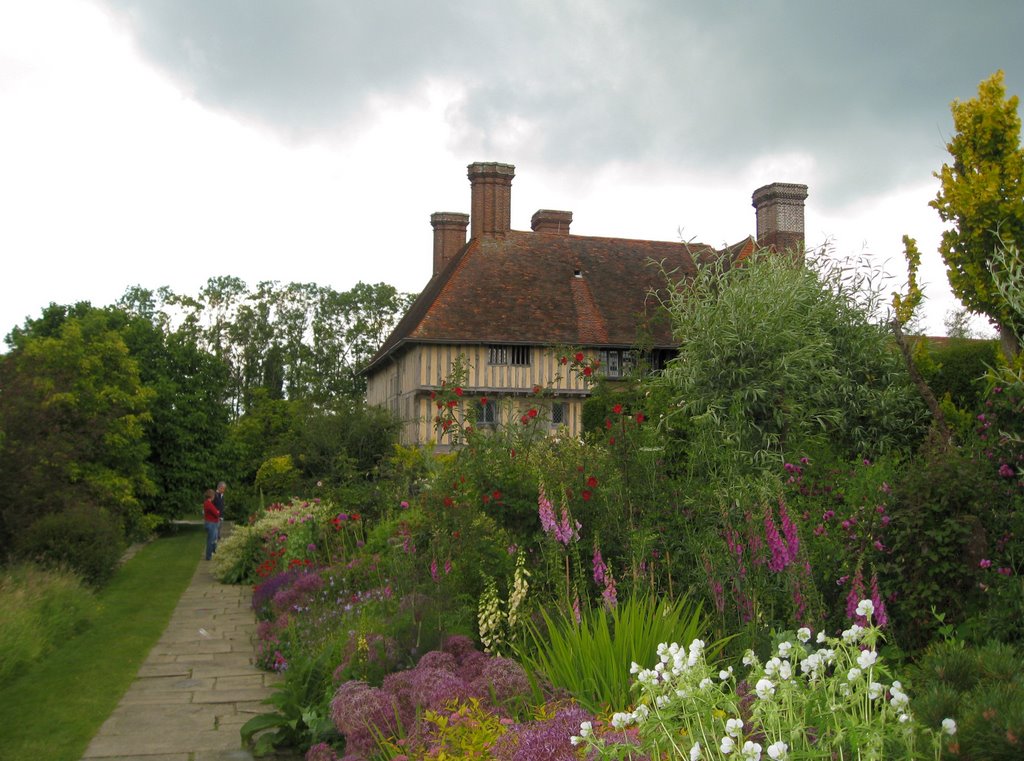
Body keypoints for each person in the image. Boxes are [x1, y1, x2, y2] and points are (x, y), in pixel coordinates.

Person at [203, 488, 220, 561]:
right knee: (211, 540)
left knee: (213, 539)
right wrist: (218, 512)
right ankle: (208, 556)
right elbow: (216, 513)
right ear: (211, 496)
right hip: (211, 523)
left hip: (210, 522)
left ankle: (213, 552)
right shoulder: (209, 504)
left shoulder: (206, 503)